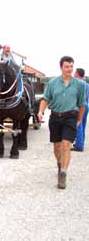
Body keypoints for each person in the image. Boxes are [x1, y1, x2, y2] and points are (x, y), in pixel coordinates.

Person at [38, 56, 86, 189]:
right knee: (57, 147)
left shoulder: (80, 85)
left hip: (71, 116)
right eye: (67, 66)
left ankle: (63, 174)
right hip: (55, 117)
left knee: (66, 144)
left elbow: (82, 104)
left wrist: (80, 119)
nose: (69, 69)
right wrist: (41, 111)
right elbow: (45, 99)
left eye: (71, 66)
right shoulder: (52, 83)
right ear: (61, 67)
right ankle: (60, 165)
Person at [72, 68, 89, 151]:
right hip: (86, 105)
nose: (74, 73)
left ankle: (79, 146)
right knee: (83, 124)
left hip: (80, 105)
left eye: (75, 72)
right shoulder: (86, 84)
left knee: (78, 124)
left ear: (77, 74)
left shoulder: (77, 83)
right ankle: (81, 142)